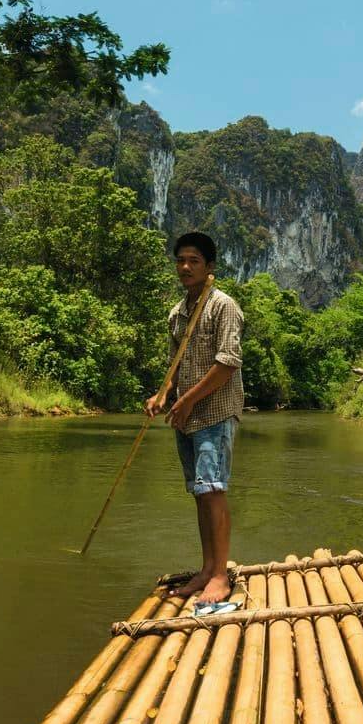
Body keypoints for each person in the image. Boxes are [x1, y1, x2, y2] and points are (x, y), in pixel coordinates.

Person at [147, 232, 244, 605]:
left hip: (214, 413)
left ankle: (220, 576)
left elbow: (227, 364)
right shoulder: (177, 313)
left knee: (213, 490)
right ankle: (206, 569)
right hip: (186, 416)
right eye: (180, 260)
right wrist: (163, 394)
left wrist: (185, 400)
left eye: (194, 261)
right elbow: (176, 365)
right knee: (200, 493)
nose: (185, 267)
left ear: (209, 267)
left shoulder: (224, 307)